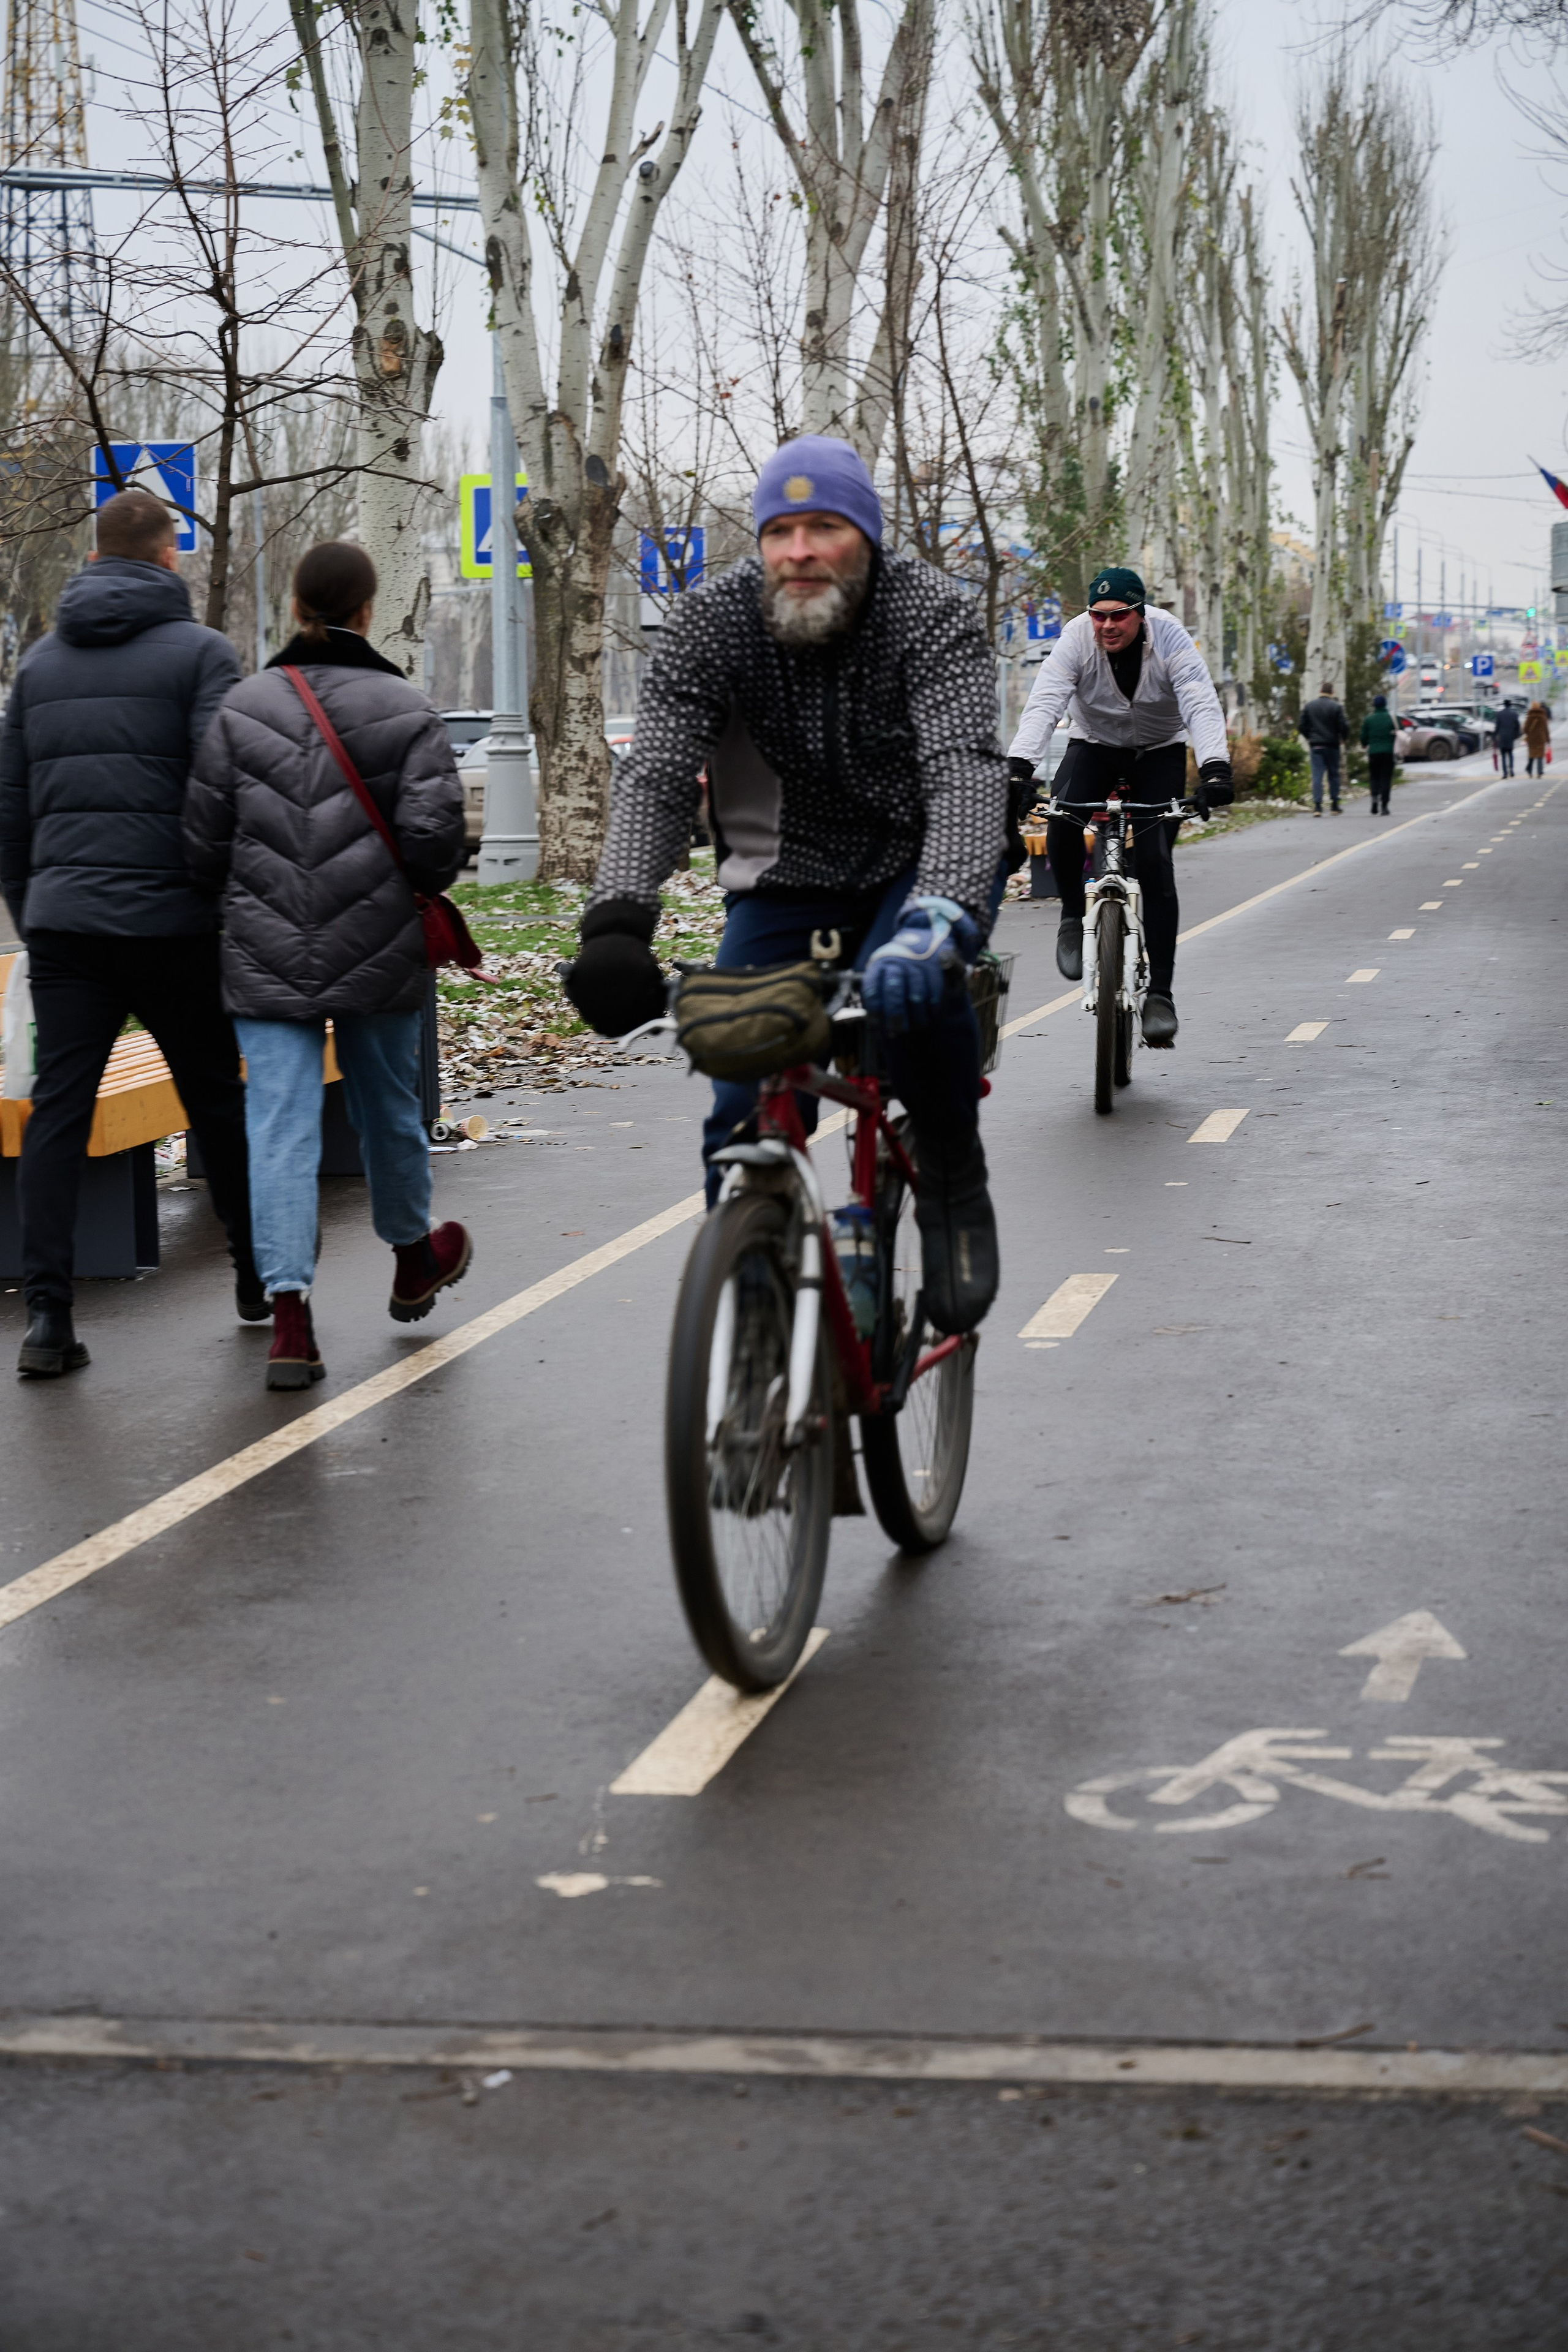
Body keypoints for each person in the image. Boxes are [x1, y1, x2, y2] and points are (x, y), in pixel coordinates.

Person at [562, 435, 1006, 1338]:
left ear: (868, 540)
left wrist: (943, 920)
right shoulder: (712, 621)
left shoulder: (930, 615)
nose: (799, 550)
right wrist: (617, 922)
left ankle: (953, 1170)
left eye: (825, 528)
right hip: (783, 875)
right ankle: (756, 1311)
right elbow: (655, 775)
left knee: (917, 1010)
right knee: (743, 1087)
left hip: (918, 861)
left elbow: (965, 773)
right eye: (780, 531)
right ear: (759, 544)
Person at [185, 541, 470, 1391]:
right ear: (367, 612)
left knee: (278, 1126)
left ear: (298, 610)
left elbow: (201, 849)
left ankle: (290, 1320)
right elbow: (434, 843)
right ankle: (414, 1257)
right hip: (379, 945)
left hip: (266, 951)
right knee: (389, 1102)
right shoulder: (405, 707)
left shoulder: (242, 709)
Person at [0, 487, 258, 1380]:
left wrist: (35, 906)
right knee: (216, 1099)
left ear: (94, 557)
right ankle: (256, 1279)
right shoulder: (201, 655)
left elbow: (12, 808)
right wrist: (211, 899)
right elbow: (220, 792)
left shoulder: (37, 667)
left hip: (67, 924)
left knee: (58, 1112)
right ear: (165, 555)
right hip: (174, 922)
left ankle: (47, 1319)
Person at [1005, 567, 1233, 1049]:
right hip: (1095, 744)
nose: (1108, 626)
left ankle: (1162, 997)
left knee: (1155, 863)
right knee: (1061, 820)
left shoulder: (1170, 637)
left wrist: (1215, 769)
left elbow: (1200, 704)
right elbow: (1045, 703)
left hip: (1159, 750)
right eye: (1098, 616)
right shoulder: (1074, 640)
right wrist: (1019, 770)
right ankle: (1072, 916)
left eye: (1119, 617)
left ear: (1140, 613)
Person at [1297, 680, 1349, 815]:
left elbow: (1301, 726)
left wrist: (1310, 737)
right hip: (1332, 745)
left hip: (1316, 746)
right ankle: (1334, 805)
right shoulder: (1336, 707)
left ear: (1320, 691)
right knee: (1333, 775)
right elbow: (1343, 725)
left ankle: (1318, 807)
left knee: (1317, 776)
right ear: (1332, 692)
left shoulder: (1309, 706)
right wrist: (1344, 738)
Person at [1360, 693, 1397, 814]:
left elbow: (1364, 738)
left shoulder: (1369, 719)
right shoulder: (1391, 718)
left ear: (1374, 705)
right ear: (1385, 704)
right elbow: (1400, 732)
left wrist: (1365, 743)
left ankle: (1374, 799)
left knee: (1374, 777)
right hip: (1388, 752)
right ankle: (1385, 806)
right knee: (1386, 779)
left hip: (1374, 753)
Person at [1523, 699, 1552, 778]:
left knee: (1531, 755)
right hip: (1541, 739)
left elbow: (1525, 729)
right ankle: (1539, 772)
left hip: (1531, 739)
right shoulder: (1543, 716)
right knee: (1540, 755)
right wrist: (1548, 740)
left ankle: (1529, 770)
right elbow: (1546, 729)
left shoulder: (1529, 716)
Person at [1493, 701, 1521, 777]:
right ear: (1510, 705)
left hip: (1502, 738)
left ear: (1504, 705)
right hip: (1510, 737)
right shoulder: (1514, 714)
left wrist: (1494, 736)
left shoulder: (1499, 714)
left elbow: (1497, 727)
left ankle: (1505, 773)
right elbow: (1518, 726)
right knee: (1511, 754)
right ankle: (1511, 770)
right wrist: (1516, 735)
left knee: (1503, 756)